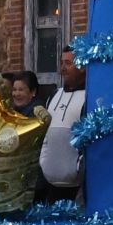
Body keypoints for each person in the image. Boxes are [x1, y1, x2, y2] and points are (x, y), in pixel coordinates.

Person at [38, 48, 87, 200]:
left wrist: (79, 168)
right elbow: (46, 134)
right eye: (61, 63)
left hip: (77, 186)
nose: (63, 68)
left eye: (68, 63)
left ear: (83, 67)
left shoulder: (89, 97)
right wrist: (43, 162)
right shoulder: (53, 95)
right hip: (50, 184)